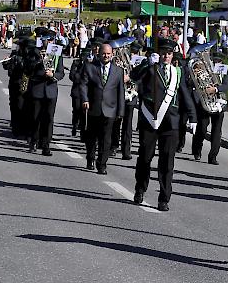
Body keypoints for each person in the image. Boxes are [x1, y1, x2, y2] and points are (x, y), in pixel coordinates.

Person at [131, 38, 197, 211]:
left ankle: (164, 198)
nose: (166, 56)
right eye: (163, 53)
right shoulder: (150, 67)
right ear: (158, 54)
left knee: (167, 162)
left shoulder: (178, 72)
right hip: (150, 120)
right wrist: (146, 63)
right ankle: (140, 189)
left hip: (171, 123)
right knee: (145, 158)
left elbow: (185, 94)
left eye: (169, 53)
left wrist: (193, 116)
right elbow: (133, 76)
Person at [80, 43, 126, 174]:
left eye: (108, 54)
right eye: (103, 53)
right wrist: (85, 99)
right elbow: (83, 84)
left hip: (110, 109)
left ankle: (102, 164)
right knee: (91, 137)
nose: (106, 56)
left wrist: (120, 112)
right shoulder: (89, 67)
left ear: (112, 55)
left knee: (106, 139)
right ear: (99, 54)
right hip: (93, 107)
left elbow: (120, 92)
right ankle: (90, 158)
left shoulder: (118, 71)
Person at [28, 28, 65, 155]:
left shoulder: (57, 52)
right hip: (37, 88)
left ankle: (46, 144)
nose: (48, 43)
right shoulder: (34, 51)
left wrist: (53, 75)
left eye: (50, 40)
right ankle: (33, 140)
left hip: (51, 89)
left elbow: (61, 72)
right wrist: (39, 62)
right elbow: (28, 69)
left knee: (49, 119)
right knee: (35, 117)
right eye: (46, 40)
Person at [191, 51, 228, 164]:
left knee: (217, 132)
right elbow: (197, 83)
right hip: (205, 103)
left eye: (219, 61)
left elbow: (227, 86)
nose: (217, 63)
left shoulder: (224, 71)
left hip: (219, 104)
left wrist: (216, 89)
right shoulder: (205, 70)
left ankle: (213, 156)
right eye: (215, 61)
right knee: (202, 128)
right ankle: (197, 150)